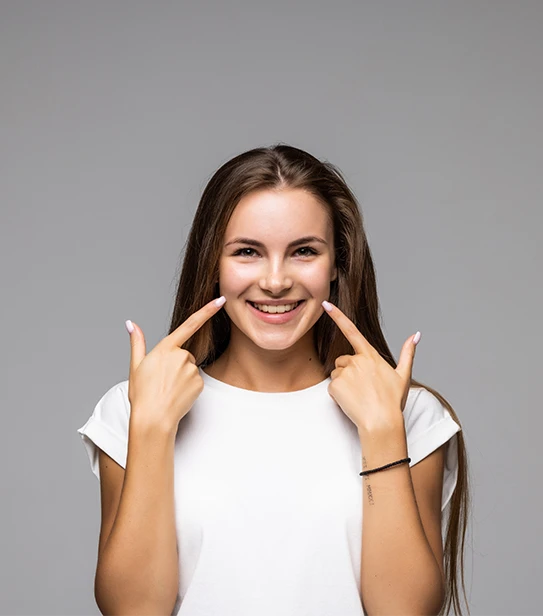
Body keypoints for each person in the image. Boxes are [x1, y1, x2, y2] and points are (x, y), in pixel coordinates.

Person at [77, 143, 471, 616]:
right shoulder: (134, 409)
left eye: (304, 251)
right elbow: (133, 610)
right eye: (248, 252)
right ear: (213, 266)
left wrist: (383, 429)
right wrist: (152, 428)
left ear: (337, 265)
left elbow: (404, 611)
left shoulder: (408, 412)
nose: (276, 280)